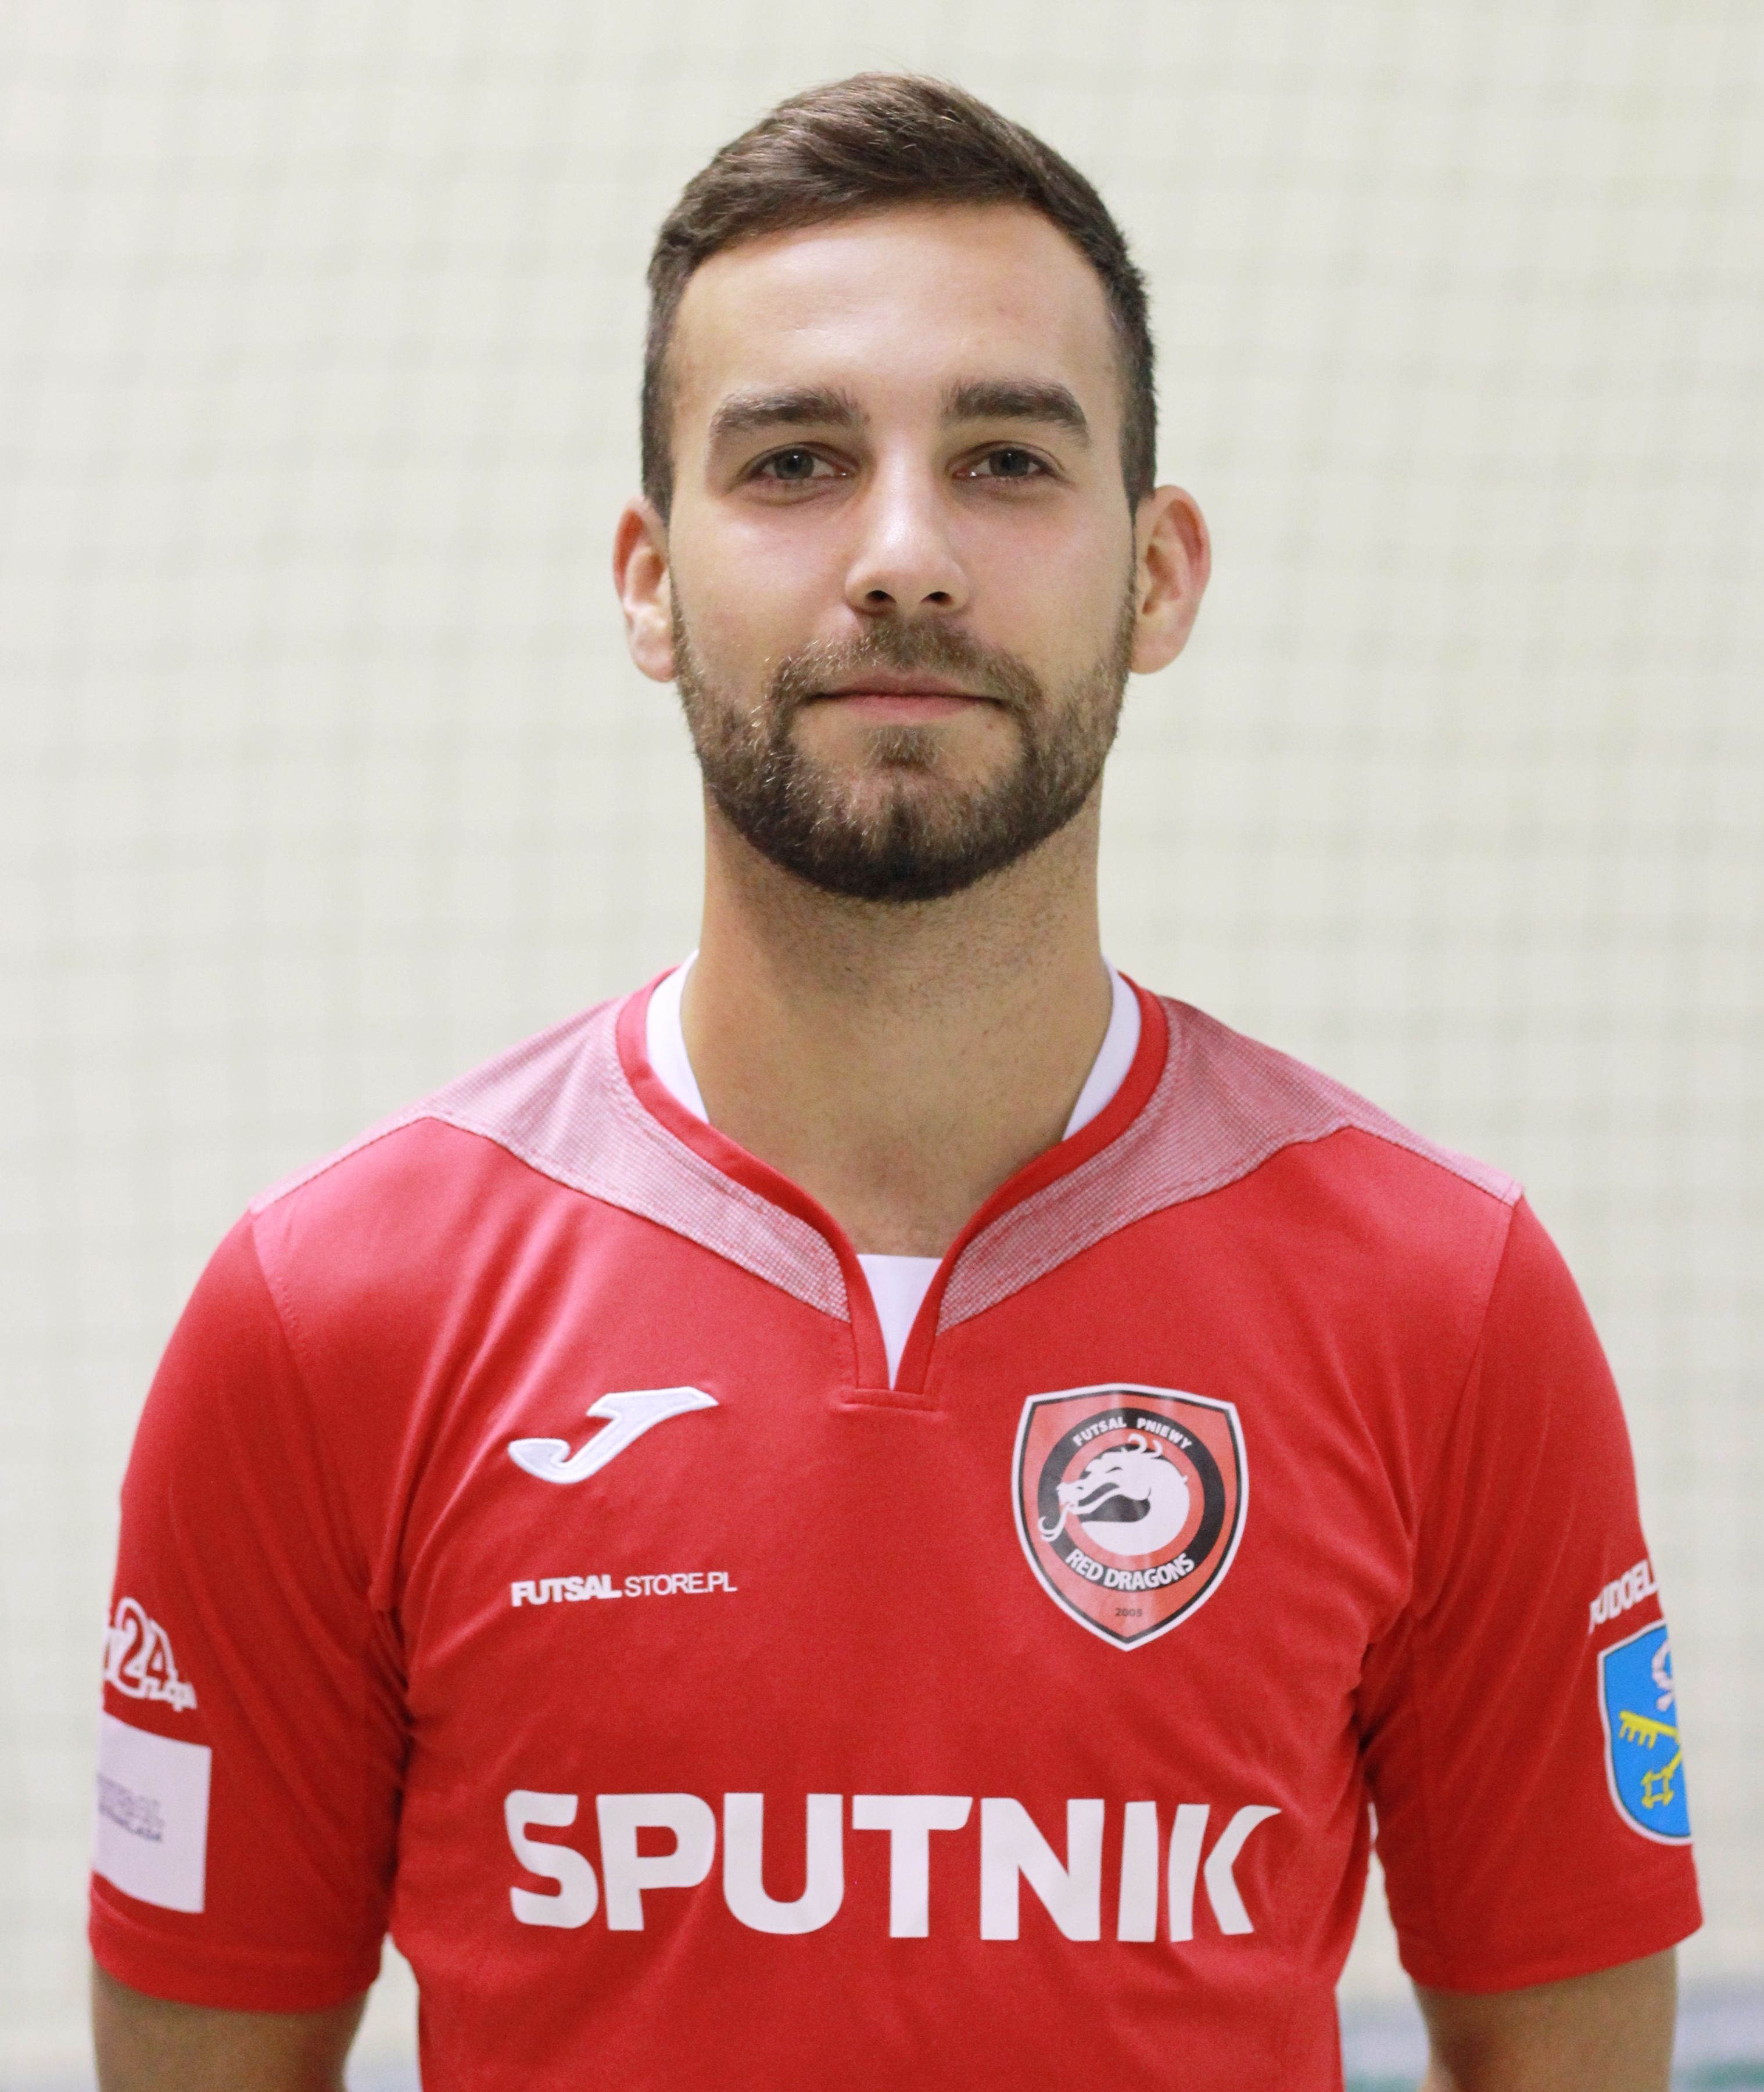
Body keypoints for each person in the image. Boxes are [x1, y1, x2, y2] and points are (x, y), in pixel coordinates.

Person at [89, 73, 1699, 2092]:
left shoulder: (1447, 1307)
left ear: (1158, 572)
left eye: (1007, 459)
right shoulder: (326, 1318)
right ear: (647, 578)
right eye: (795, 461)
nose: (906, 554)